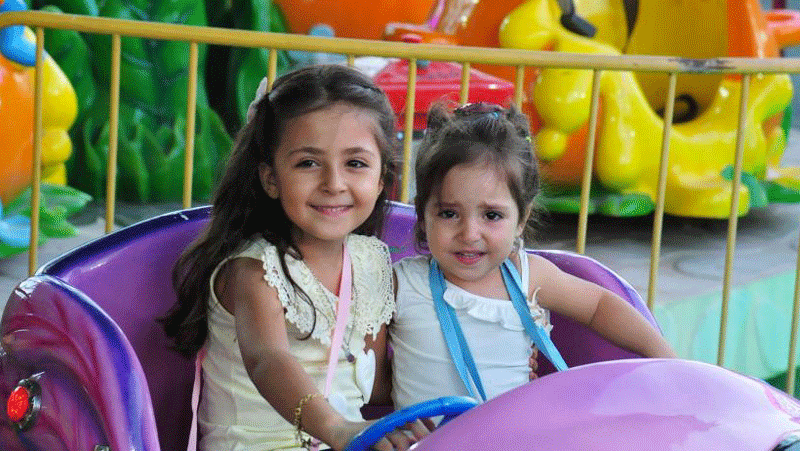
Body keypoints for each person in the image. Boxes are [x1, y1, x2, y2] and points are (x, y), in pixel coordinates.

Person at [161, 64, 426, 451]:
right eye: (308, 163)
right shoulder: (254, 272)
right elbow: (268, 360)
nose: (334, 183)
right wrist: (337, 429)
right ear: (271, 178)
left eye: (355, 163)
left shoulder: (371, 264)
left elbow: (378, 384)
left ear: (382, 177)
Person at [389, 102, 677, 409]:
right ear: (422, 214)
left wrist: (666, 358)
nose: (470, 233)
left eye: (491, 215)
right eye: (449, 213)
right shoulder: (401, 283)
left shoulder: (529, 276)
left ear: (521, 219)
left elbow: (599, 305)